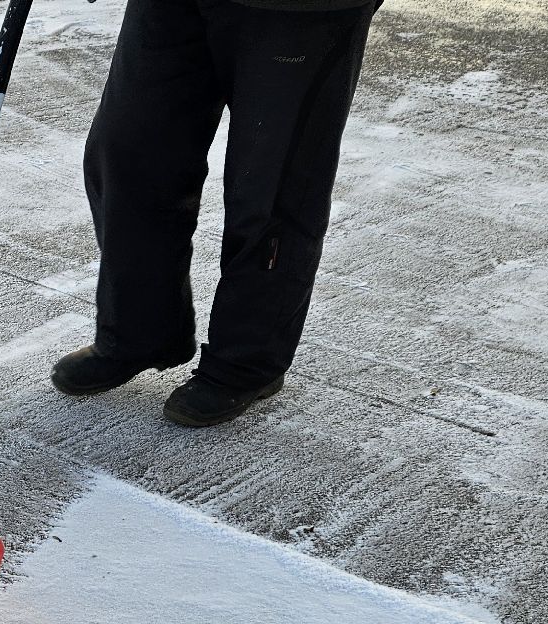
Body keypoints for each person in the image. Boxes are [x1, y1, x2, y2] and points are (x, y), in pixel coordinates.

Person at [53, 0, 383, 426]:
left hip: (302, 10)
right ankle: (141, 333)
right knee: (129, 155)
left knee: (272, 185)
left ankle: (245, 363)